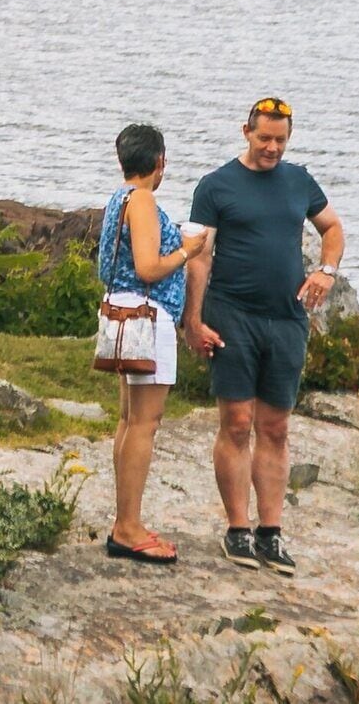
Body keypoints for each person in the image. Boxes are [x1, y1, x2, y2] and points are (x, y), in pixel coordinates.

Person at [184, 97, 347, 573]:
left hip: (286, 318)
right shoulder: (215, 186)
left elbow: (332, 227)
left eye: (280, 139)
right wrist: (193, 322)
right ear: (246, 132)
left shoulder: (299, 180)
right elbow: (198, 256)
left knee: (275, 427)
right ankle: (237, 530)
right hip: (232, 315)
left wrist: (327, 270)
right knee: (236, 422)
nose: (272, 147)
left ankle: (270, 533)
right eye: (264, 138)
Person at [96, 123, 211, 564]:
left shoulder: (118, 199)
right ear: (159, 161)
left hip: (123, 314)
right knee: (145, 422)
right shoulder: (142, 199)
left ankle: (126, 520)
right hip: (147, 317)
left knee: (129, 420)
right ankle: (127, 527)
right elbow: (147, 267)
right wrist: (188, 251)